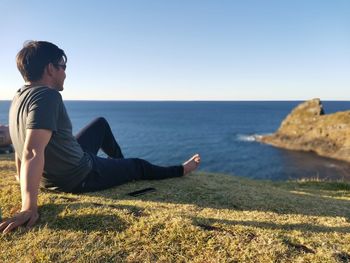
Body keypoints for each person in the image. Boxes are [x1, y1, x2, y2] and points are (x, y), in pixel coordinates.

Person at [0, 41, 201, 234]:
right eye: (63, 66)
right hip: (80, 176)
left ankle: (119, 165)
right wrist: (28, 207)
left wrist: (20, 175)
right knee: (137, 166)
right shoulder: (48, 96)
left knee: (100, 124)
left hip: (62, 167)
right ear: (50, 69)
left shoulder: (18, 96)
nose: (65, 72)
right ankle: (181, 170)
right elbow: (32, 151)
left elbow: (20, 141)